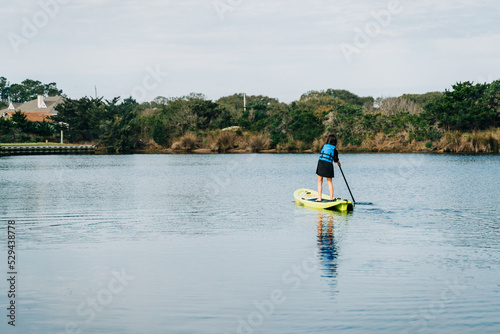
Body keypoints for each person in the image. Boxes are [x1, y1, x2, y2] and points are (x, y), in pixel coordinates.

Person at [315, 134, 341, 202]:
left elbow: (321, 153)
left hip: (321, 163)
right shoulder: (334, 149)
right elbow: (335, 159)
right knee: (329, 182)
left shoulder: (323, 146)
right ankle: (331, 198)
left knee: (320, 182)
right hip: (328, 165)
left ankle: (319, 198)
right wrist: (339, 163)